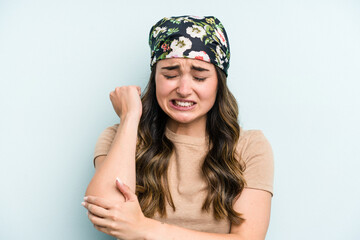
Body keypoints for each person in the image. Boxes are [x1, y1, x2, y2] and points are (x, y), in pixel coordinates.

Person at [82, 15, 274, 240]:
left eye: (199, 77)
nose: (184, 89)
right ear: (155, 79)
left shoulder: (250, 147)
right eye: (170, 75)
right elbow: (105, 213)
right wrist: (130, 116)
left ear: (218, 83)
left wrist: (145, 228)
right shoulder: (119, 136)